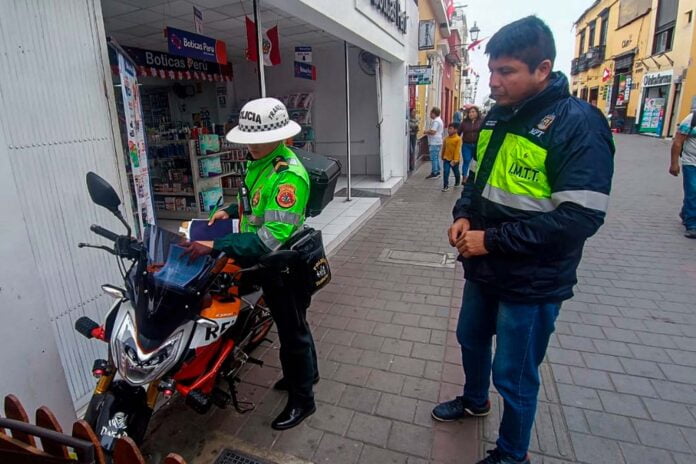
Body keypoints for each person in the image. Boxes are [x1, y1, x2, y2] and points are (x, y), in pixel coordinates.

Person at [431, 16, 614, 464]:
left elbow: (580, 218)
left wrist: (491, 240)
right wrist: (463, 214)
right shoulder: (497, 116)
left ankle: (513, 454)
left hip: (533, 281)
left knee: (514, 373)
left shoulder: (578, 124)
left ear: (542, 69)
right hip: (484, 267)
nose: (493, 82)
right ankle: (475, 400)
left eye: (506, 71)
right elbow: (476, 179)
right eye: (491, 70)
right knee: (470, 339)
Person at [182, 97, 319, 431]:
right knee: (296, 325)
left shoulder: (288, 177)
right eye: (249, 139)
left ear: (279, 137)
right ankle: (307, 373)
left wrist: (214, 245)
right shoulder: (260, 161)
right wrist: (229, 211)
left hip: (285, 266)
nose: (252, 146)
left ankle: (303, 399)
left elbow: (269, 239)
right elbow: (254, 202)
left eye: (259, 139)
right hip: (270, 263)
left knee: (292, 332)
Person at [670, 109, 696, 238]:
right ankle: (692, 225)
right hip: (691, 162)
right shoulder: (691, 119)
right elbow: (678, 142)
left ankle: (686, 212)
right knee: (693, 191)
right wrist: (674, 163)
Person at [458, 106, 483, 183]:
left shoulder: (481, 121)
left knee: (476, 162)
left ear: (477, 113)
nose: (471, 114)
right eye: (469, 112)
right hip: (466, 145)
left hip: (477, 145)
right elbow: (458, 133)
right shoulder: (464, 122)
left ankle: (473, 177)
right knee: (466, 160)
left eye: (473, 112)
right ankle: (464, 177)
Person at [441, 122, 462, 192]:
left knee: (456, 172)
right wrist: (442, 156)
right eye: (448, 129)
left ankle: (457, 181)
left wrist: (455, 160)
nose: (448, 130)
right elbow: (444, 148)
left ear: (455, 130)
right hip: (446, 159)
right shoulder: (446, 138)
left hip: (454, 160)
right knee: (446, 172)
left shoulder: (458, 139)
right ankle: (445, 186)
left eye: (450, 129)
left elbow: (457, 150)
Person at [425, 107, 444, 179]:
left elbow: (433, 132)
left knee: (433, 158)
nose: (430, 114)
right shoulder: (439, 120)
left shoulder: (436, 121)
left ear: (434, 113)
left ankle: (434, 173)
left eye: (431, 113)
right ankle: (437, 171)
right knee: (436, 157)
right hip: (437, 141)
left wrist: (426, 131)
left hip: (434, 142)